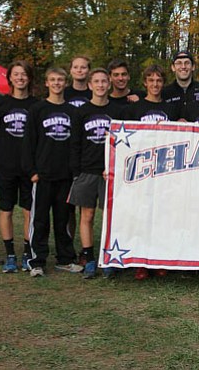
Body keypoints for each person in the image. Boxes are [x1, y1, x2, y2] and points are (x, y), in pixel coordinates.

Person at [22, 67, 82, 277]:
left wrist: (74, 171)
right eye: (52, 80)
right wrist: (32, 171)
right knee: (39, 220)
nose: (57, 83)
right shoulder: (38, 110)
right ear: (46, 83)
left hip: (64, 175)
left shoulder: (72, 111)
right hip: (42, 175)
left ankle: (65, 258)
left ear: (65, 83)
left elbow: (75, 144)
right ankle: (36, 261)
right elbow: (28, 142)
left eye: (60, 80)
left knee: (63, 219)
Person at [122, 64, 178, 280]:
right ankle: (141, 261)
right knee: (141, 216)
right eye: (151, 80)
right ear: (145, 83)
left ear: (163, 83)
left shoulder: (171, 110)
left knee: (162, 216)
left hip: (165, 169)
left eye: (159, 81)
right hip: (141, 170)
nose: (155, 84)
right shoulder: (133, 108)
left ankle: (159, 259)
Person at [69, 68, 122, 279]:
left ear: (109, 85)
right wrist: (76, 172)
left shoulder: (119, 110)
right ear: (90, 85)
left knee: (110, 217)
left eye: (104, 81)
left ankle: (108, 257)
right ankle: (89, 257)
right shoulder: (80, 111)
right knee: (87, 215)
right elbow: (74, 144)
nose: (100, 85)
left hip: (110, 171)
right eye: (96, 82)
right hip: (87, 170)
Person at [0, 60, 39, 273]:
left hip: (29, 168)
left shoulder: (37, 105)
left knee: (29, 211)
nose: (20, 78)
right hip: (6, 165)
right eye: (16, 74)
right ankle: (10, 254)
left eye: (24, 74)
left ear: (29, 78)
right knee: (6, 209)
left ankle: (28, 252)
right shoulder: (0, 105)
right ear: (9, 77)